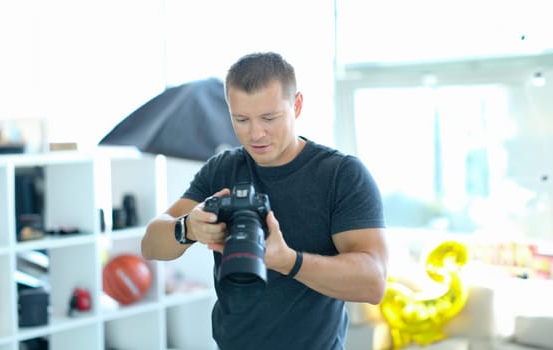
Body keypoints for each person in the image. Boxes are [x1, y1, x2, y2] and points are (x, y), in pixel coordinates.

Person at [141, 52, 388, 350]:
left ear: (296, 105)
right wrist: (188, 228)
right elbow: (151, 244)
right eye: (241, 119)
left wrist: (288, 261)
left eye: (269, 118)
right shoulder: (222, 169)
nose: (256, 133)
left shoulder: (341, 174)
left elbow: (373, 282)